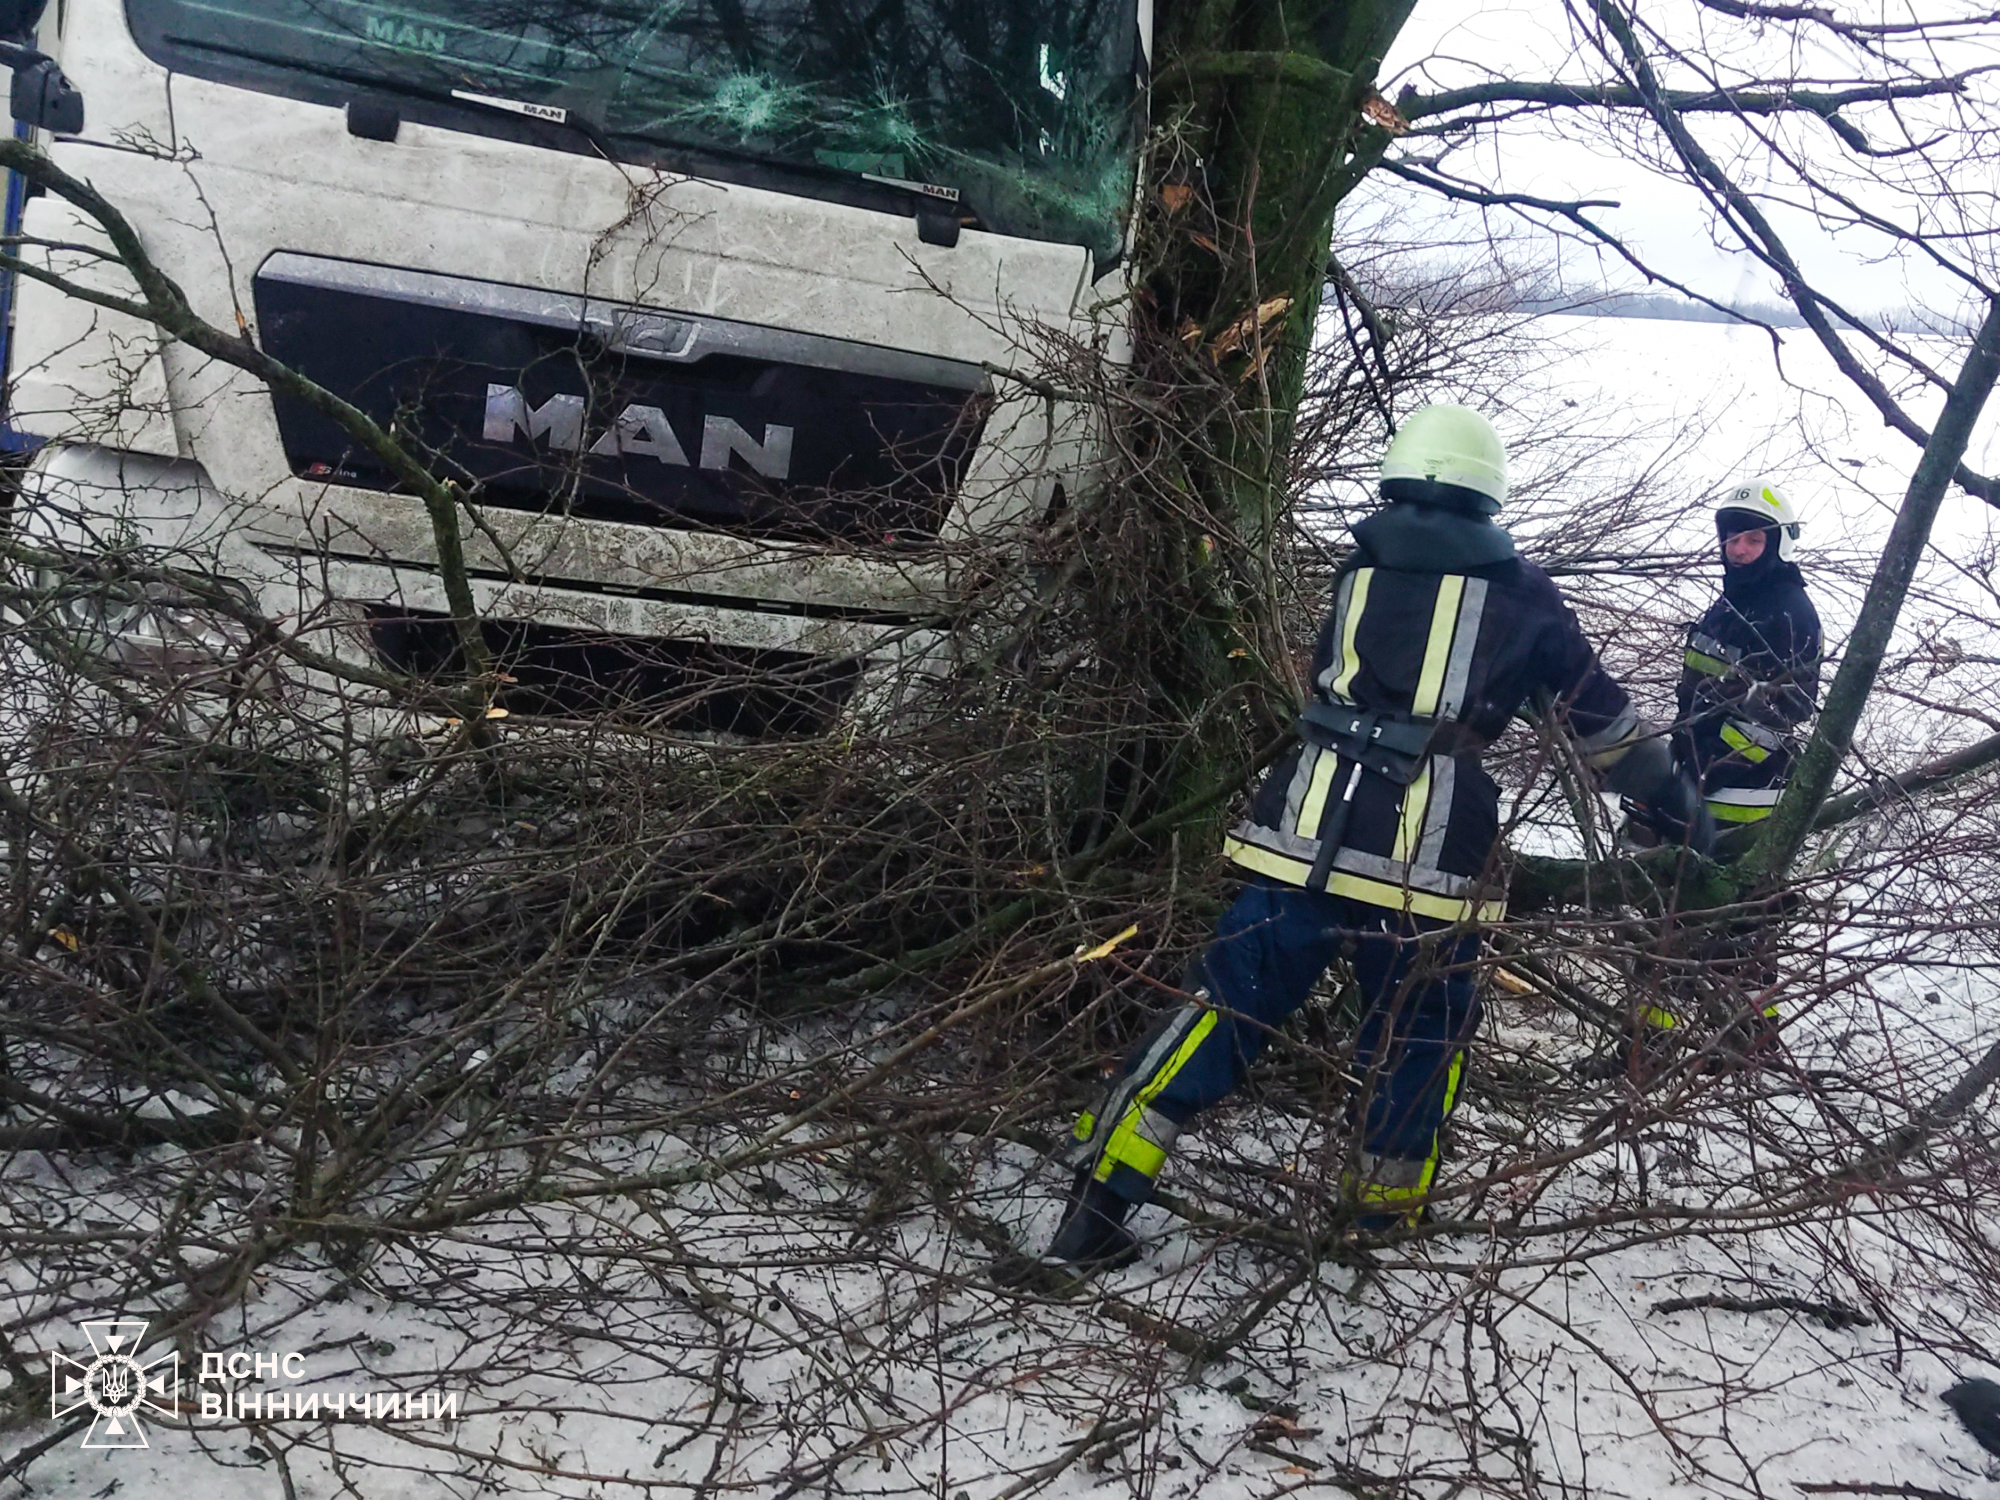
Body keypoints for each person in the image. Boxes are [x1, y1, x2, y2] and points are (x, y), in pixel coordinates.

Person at [1046, 404, 1712, 1271]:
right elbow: (1606, 735)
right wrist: (1676, 805)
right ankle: (1379, 1222)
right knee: (1419, 1039)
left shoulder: (1357, 569)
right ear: (1487, 492)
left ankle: (1095, 1207)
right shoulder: (1523, 593)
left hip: (1298, 832)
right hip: (1425, 866)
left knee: (1218, 1012)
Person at [1616, 478, 1823, 1048]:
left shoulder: (1789, 614)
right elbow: (1697, 694)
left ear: (1777, 544)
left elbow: (1793, 709)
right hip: (1692, 776)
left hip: (1745, 794)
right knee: (1665, 904)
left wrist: (1715, 757)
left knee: (1741, 920)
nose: (1737, 549)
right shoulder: (1728, 605)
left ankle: (1750, 1040)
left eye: (1751, 540)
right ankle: (1648, 1042)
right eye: (1732, 539)